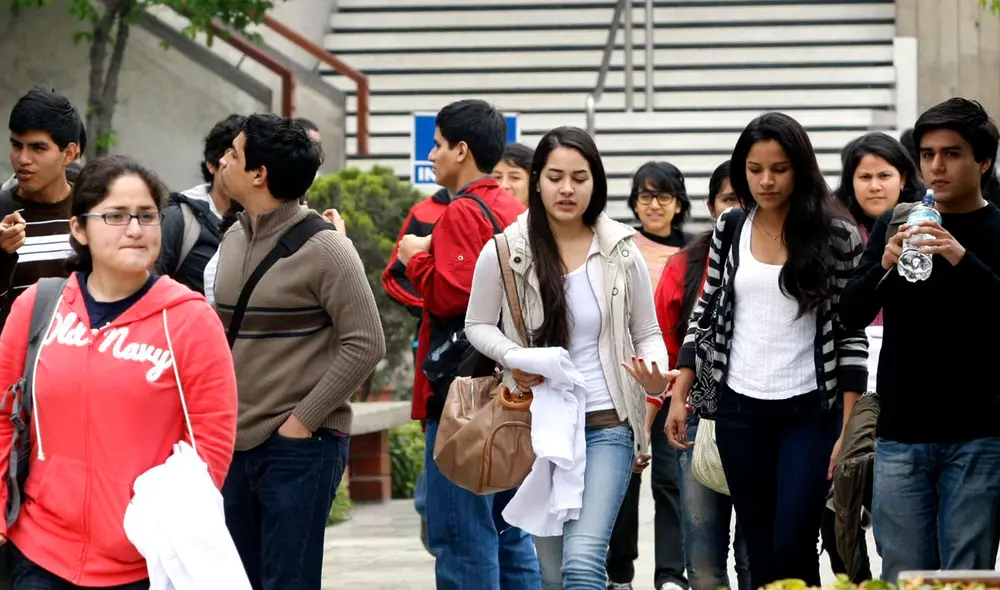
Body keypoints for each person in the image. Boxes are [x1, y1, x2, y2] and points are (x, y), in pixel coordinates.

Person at [0, 155, 238, 589]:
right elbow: (3, 415)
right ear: (79, 229)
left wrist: (169, 530)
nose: (135, 229)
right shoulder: (37, 307)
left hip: (146, 560)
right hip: (38, 553)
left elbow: (211, 442)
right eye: (115, 215)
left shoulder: (190, 319)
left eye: (146, 215)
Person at [464, 126, 673, 590]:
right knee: (554, 575)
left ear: (595, 183)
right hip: (538, 425)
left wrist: (655, 376)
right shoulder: (505, 250)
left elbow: (647, 332)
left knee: (582, 564)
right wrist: (514, 356)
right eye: (555, 177)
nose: (567, 189)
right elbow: (477, 324)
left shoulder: (621, 251)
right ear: (537, 180)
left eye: (579, 178)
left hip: (608, 424)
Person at [665, 112, 868, 589]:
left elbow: (850, 333)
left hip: (810, 411)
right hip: (739, 409)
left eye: (779, 168)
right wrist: (681, 390)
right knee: (757, 547)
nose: (766, 181)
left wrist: (847, 425)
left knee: (793, 544)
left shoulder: (836, 235)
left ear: (801, 168)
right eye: (754, 169)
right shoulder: (731, 226)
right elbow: (706, 311)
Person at [213, 113, 385, 590]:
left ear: (259, 174)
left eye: (233, 153)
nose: (222, 160)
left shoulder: (327, 249)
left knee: (288, 581)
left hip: (299, 448)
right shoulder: (233, 237)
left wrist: (300, 423)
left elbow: (366, 341)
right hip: (235, 444)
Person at [840, 98, 1000, 582]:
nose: (936, 166)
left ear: (983, 162)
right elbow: (850, 314)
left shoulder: (996, 228)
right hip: (900, 435)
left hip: (979, 435)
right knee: (904, 574)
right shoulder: (897, 223)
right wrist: (884, 264)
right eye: (928, 154)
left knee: (967, 577)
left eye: (951, 154)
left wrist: (961, 258)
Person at [397, 99, 539, 590]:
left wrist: (417, 258)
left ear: (461, 150)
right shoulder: (515, 208)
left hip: (465, 397)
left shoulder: (462, 211)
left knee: (461, 536)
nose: (431, 155)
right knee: (510, 532)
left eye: (437, 145)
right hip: (513, 388)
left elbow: (452, 296)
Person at [655, 161, 748, 590]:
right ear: (712, 206)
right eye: (729, 199)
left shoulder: (786, 257)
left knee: (754, 559)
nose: (739, 209)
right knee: (704, 561)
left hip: (762, 417)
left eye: (746, 199)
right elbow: (666, 344)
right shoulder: (686, 264)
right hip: (698, 418)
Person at [607, 161, 691, 590]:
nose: (653, 205)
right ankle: (619, 573)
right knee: (623, 480)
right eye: (645, 195)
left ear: (678, 202)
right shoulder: (620, 247)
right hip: (626, 380)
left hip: (677, 382)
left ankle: (671, 575)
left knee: (672, 482)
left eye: (663, 196)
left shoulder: (695, 253)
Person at [0, 87, 84, 328]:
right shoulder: (4, 214)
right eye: (17, 145)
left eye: (38, 148)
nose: (23, 159)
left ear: (69, 153)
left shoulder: (94, 213)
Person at [156, 114, 243, 294]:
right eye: (232, 156)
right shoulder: (180, 217)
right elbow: (154, 283)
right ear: (212, 164)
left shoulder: (261, 218)